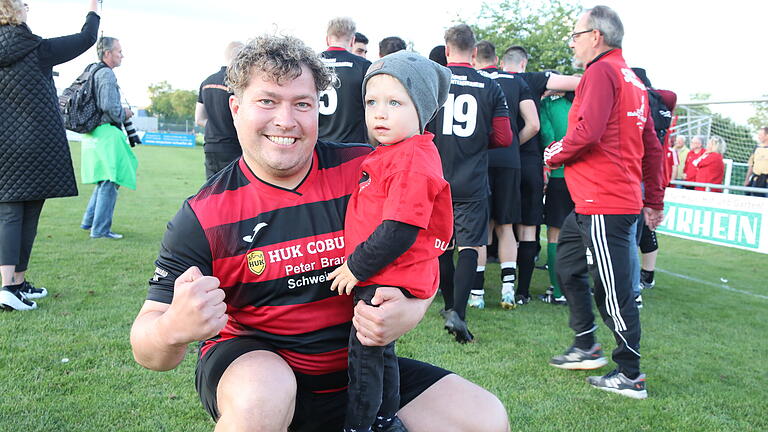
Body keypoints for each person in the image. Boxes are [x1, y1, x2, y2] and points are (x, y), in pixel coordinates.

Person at [129, 34, 509, 432]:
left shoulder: (368, 170)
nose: (286, 120)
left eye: (302, 104)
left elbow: (422, 247)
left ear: (318, 109)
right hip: (256, 367)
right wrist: (173, 327)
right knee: (265, 390)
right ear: (236, 108)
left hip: (357, 367)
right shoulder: (204, 214)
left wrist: (411, 309)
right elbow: (147, 347)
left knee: (482, 417)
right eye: (267, 101)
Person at [543, 5, 665, 399]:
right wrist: (655, 197)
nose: (574, 43)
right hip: (598, 200)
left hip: (605, 200)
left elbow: (586, 132)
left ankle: (630, 374)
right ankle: (586, 345)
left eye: (576, 35)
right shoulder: (630, 77)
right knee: (567, 267)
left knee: (613, 290)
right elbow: (652, 145)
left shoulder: (601, 71)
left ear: (596, 35)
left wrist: (551, 153)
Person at [327, 51, 453, 432]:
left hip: (386, 273)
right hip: (386, 272)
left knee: (364, 358)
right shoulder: (395, 152)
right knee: (382, 354)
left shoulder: (412, 159)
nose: (379, 113)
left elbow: (400, 228)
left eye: (394, 102)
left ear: (423, 110)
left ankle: (361, 424)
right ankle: (385, 419)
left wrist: (356, 266)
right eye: (371, 102)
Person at [0, 0, 99, 311]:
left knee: (19, 212)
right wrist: (94, 8)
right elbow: (86, 38)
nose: (28, 6)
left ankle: (17, 283)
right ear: (15, 11)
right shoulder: (35, 48)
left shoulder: (32, 47)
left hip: (5, 145)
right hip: (35, 145)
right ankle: (6, 287)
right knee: (20, 214)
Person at [429, 25, 512, 342]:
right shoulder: (490, 86)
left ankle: (448, 303)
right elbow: (504, 137)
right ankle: (458, 313)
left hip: (437, 176)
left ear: (447, 50)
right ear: (475, 53)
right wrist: (478, 140)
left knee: (441, 245)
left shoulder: (434, 83)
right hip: (472, 179)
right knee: (470, 246)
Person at [499, 45, 579, 305]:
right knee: (529, 229)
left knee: (501, 227)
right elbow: (578, 81)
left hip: (500, 162)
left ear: (502, 63)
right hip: (531, 163)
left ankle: (488, 289)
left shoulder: (492, 80)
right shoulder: (532, 79)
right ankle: (523, 292)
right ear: (524, 63)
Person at [472, 40, 539, 309]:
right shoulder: (516, 81)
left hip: (480, 160)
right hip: (510, 161)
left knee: (480, 227)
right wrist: (512, 145)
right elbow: (533, 124)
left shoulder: (474, 80)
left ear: (475, 57)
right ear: (497, 59)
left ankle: (476, 295)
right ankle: (507, 290)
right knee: (506, 226)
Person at [79, 36, 138, 240]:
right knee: (111, 180)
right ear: (107, 53)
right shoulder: (106, 74)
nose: (122, 55)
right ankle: (100, 229)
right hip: (107, 132)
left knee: (104, 180)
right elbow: (108, 106)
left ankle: (89, 222)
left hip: (94, 133)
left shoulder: (93, 70)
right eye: (119, 51)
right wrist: (125, 113)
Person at [538, 90, 575, 305]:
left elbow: (547, 138)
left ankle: (558, 291)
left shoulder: (549, 105)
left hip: (560, 176)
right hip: (585, 179)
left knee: (555, 235)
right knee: (586, 235)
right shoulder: (589, 103)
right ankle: (578, 289)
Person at [195, 41, 244, 179]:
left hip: (210, 146)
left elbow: (199, 119)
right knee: (235, 192)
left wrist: (215, 127)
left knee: (213, 193)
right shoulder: (238, 84)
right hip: (233, 147)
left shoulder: (206, 82)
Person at [319, 17, 371, 143]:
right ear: (352, 41)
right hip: (352, 148)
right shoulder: (363, 65)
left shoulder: (310, 63)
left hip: (317, 146)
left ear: (327, 39)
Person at [744, 127, 768, 197]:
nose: (759, 136)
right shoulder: (756, 148)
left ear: (767, 136)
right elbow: (751, 165)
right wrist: (747, 179)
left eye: (761, 134)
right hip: (756, 180)